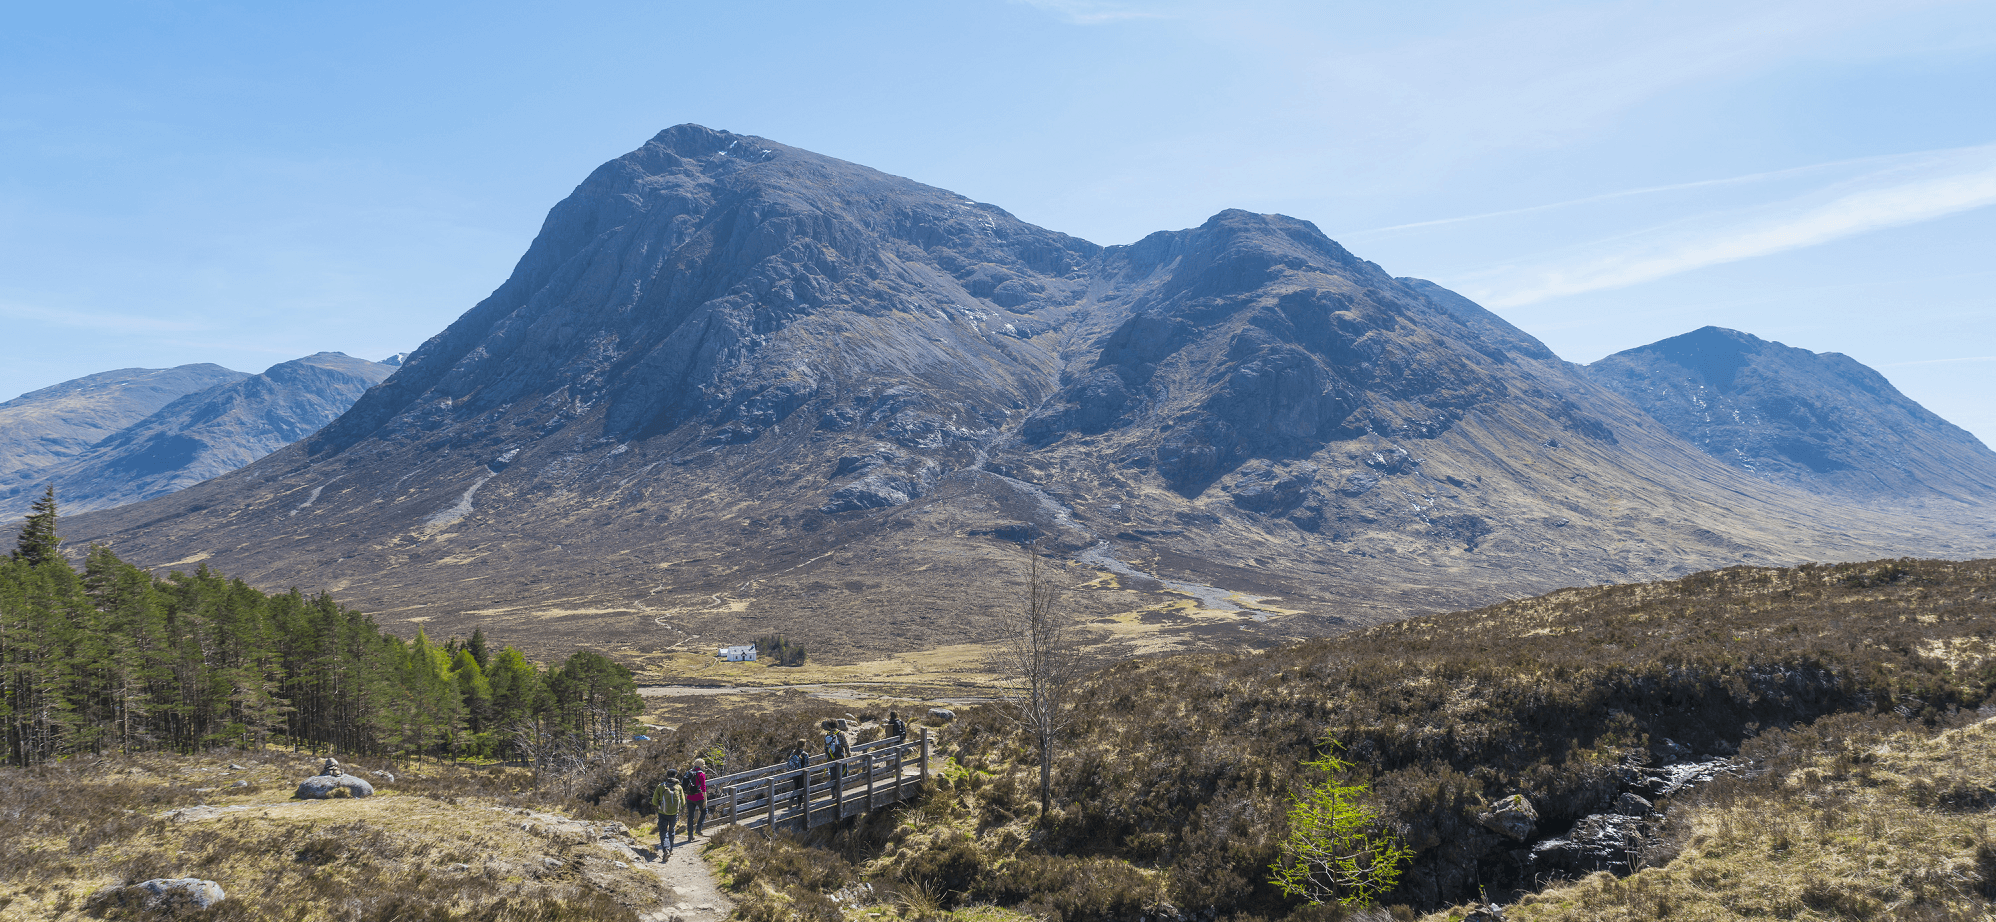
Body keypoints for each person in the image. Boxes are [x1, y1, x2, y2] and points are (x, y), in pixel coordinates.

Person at [652, 769, 686, 860]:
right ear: (675, 775)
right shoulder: (678, 787)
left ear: (667, 775)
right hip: (674, 813)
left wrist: (660, 805)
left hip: (663, 813)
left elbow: (654, 801)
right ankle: (670, 849)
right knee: (672, 830)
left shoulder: (661, 786)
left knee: (663, 831)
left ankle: (666, 849)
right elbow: (683, 802)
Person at [684, 758, 709, 838]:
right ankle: (698, 829)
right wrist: (705, 799)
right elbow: (703, 787)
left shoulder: (689, 772)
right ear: (701, 765)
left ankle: (690, 835)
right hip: (699, 796)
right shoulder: (701, 774)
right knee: (704, 811)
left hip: (689, 797)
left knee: (690, 816)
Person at [785, 739, 811, 809]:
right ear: (804, 745)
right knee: (800, 788)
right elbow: (807, 765)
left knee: (796, 787)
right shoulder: (805, 754)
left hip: (794, 774)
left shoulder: (793, 752)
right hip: (801, 774)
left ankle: (791, 800)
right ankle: (799, 804)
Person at [823, 720, 850, 785]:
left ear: (829, 726)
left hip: (831, 759)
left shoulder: (827, 735)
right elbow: (846, 745)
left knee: (833, 776)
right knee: (843, 774)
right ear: (837, 725)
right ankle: (840, 791)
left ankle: (833, 792)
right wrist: (848, 754)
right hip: (840, 757)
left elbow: (825, 747)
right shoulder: (841, 733)